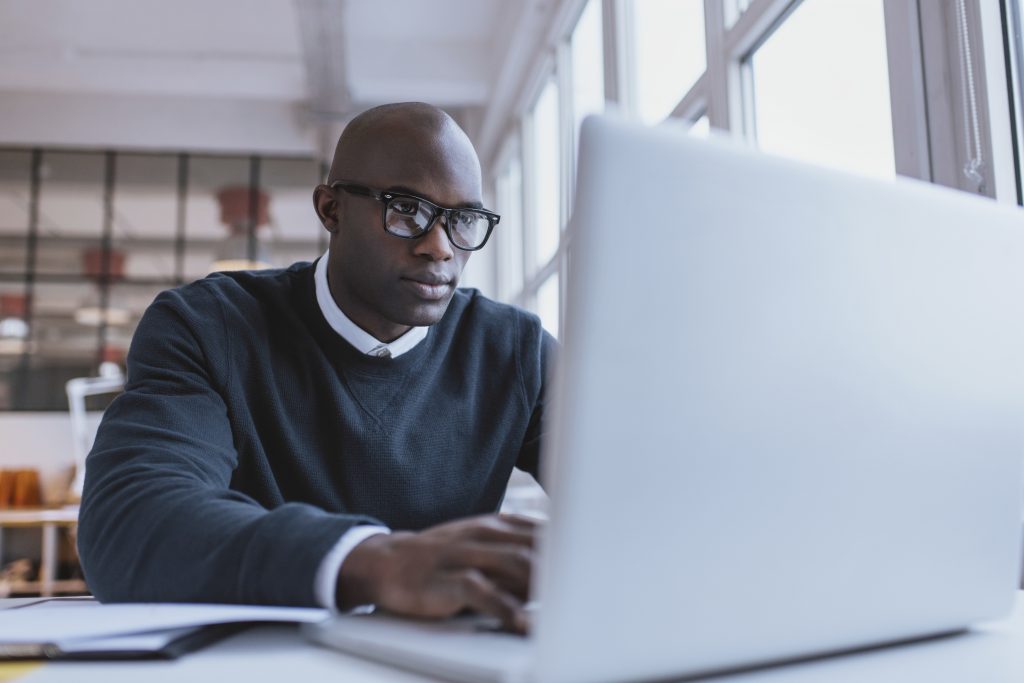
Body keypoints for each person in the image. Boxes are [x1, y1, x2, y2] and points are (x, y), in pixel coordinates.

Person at [77, 102, 556, 634]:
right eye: (407, 210)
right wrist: (373, 562)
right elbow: (128, 525)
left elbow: (639, 497)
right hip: (259, 662)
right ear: (331, 210)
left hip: (446, 664)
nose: (439, 247)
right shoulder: (209, 327)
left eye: (463, 219)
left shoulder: (517, 351)